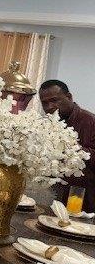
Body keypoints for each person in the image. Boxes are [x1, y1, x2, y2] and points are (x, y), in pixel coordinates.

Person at [39, 79, 95, 212]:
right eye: (44, 103)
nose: (49, 107)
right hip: (52, 196)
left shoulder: (91, 121)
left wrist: (72, 150)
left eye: (54, 100)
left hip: (85, 201)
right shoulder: (46, 124)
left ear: (69, 97)